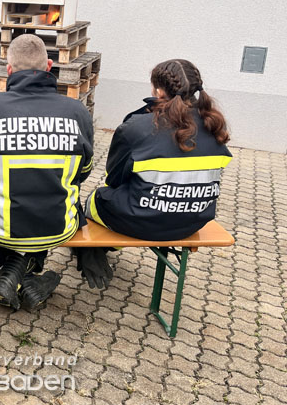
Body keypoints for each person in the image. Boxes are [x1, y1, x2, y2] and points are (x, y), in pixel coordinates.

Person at [0, 34, 94, 311]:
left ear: (9, 70)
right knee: (43, 202)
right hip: (59, 226)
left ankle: (12, 268)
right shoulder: (77, 112)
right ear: (49, 66)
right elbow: (83, 173)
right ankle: (25, 274)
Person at [77, 59, 232, 288]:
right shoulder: (215, 125)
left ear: (158, 91)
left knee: (95, 199)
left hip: (141, 221)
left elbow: (114, 178)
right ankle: (101, 247)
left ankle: (94, 248)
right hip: (192, 222)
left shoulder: (138, 126)